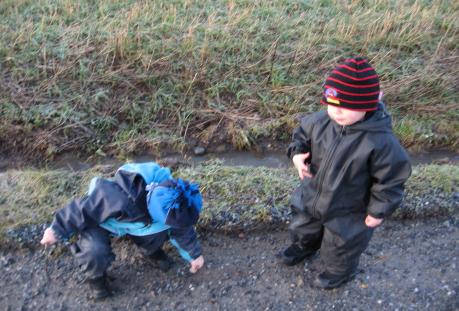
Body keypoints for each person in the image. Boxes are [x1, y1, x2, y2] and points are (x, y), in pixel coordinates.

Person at [279, 57, 411, 289]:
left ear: (368, 105)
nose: (336, 112)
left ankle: (340, 271)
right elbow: (301, 136)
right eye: (331, 104)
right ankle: (305, 245)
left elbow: (390, 180)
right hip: (312, 194)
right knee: (303, 224)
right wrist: (297, 154)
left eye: (345, 106)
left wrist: (378, 211)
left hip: (349, 208)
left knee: (342, 243)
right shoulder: (320, 122)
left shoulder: (380, 142)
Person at [40, 162, 205, 300]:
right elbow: (80, 211)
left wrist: (193, 255)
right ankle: (97, 280)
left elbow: (183, 231)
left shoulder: (179, 205)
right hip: (102, 221)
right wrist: (56, 230)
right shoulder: (113, 198)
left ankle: (151, 252)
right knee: (94, 251)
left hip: (140, 224)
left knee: (158, 234)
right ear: (154, 212)